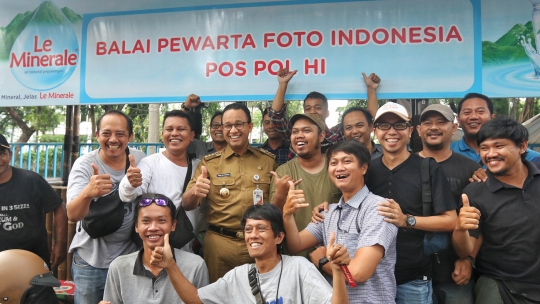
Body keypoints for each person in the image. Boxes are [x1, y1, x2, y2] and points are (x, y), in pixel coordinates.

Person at [150, 204, 351, 304]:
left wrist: (338, 272)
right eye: (248, 230)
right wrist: (170, 266)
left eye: (261, 229)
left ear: (279, 237)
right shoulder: (237, 276)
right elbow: (195, 299)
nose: (253, 235)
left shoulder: (299, 267)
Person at [284, 140, 398, 303]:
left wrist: (322, 262)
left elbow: (359, 273)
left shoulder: (378, 209)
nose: (339, 168)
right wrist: (287, 214)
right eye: (333, 163)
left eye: (347, 161)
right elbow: (295, 244)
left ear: (364, 168)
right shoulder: (329, 212)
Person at [367, 102, 457, 304]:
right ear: (375, 131)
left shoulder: (427, 168)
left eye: (399, 125)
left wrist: (406, 220)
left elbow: (451, 220)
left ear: (409, 131)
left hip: (414, 277)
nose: (392, 132)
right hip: (373, 276)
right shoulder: (367, 171)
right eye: (384, 125)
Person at [181, 103, 277, 282]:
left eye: (239, 124)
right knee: (218, 298)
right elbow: (187, 204)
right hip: (220, 245)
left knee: (260, 296)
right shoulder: (209, 163)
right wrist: (196, 191)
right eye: (227, 125)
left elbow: (275, 204)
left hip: (259, 242)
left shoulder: (268, 161)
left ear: (250, 126)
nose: (233, 130)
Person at [453, 117, 540, 303]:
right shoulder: (474, 192)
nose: (491, 154)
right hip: (500, 283)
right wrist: (460, 228)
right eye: (484, 148)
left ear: (522, 146)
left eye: (499, 146)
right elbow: (464, 251)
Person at [67, 110, 147, 304]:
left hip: (130, 258)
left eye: (120, 134)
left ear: (130, 136)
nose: (113, 139)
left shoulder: (139, 159)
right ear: (97, 135)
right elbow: (73, 214)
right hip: (91, 260)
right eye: (106, 133)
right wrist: (88, 192)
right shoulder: (85, 165)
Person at [416, 105, 481, 304]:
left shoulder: (471, 169)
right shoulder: (406, 165)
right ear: (419, 130)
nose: (433, 127)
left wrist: (469, 259)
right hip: (413, 273)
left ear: (454, 128)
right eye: (427, 123)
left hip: (454, 271)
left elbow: (480, 222)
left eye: (441, 122)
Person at [101, 194, 208, 304]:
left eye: (161, 220)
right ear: (136, 226)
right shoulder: (119, 267)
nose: (153, 228)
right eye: (146, 221)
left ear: (173, 225)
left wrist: (171, 266)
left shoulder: (195, 266)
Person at [119, 110, 200, 252]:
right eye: (169, 129)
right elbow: (127, 195)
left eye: (181, 129)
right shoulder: (149, 163)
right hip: (153, 245)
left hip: (187, 246)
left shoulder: (199, 166)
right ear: (162, 134)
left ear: (192, 135)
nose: (174, 133)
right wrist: (130, 183)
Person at [270, 113, 341, 257]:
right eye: (295, 132)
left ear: (321, 137)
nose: (299, 135)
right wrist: (280, 195)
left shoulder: (337, 169)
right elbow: (272, 219)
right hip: (294, 258)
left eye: (306, 131)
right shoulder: (284, 172)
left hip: (333, 257)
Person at [268, 68, 380, 159]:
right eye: (308, 108)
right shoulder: (295, 134)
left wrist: (371, 89)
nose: (312, 111)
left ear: (327, 113)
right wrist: (283, 84)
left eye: (318, 108)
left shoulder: (336, 135)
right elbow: (275, 116)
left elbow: (371, 119)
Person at [0, 134, 67, 269]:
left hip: (34, 260)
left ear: (10, 154)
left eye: (1, 153)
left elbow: (59, 207)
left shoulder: (31, 180)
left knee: (39, 290)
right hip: (1, 263)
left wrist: (60, 243)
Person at [451, 93, 540, 163]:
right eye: (467, 112)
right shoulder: (448, 151)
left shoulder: (524, 154)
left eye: (480, 111)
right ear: (458, 119)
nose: (473, 116)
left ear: (492, 117)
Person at [183, 94, 227, 159]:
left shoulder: (237, 150)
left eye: (224, 125)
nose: (220, 129)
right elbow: (177, 129)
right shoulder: (198, 147)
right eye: (215, 125)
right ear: (210, 129)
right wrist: (186, 107)